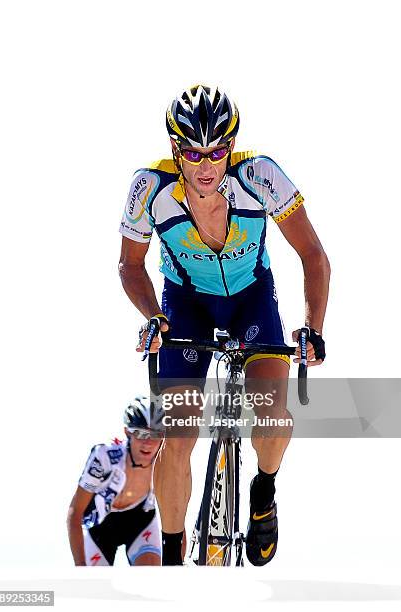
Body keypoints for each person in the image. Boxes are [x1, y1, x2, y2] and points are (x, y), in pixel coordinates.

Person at [118, 85, 330, 566]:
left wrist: (312, 327)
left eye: (217, 151)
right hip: (186, 302)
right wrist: (154, 316)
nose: (206, 165)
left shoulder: (260, 175)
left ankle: (263, 491)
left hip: (251, 299)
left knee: (271, 416)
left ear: (230, 147)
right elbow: (130, 266)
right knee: (177, 434)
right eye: (193, 153)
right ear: (177, 149)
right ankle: (172, 553)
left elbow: (313, 256)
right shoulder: (148, 187)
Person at [67, 396, 165, 566]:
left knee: (152, 576)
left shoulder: (164, 461)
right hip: (101, 526)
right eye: (141, 434)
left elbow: (175, 512)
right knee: (95, 588)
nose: (148, 443)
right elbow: (75, 513)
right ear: (128, 432)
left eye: (155, 435)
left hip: (140, 521)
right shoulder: (104, 457)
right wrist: (81, 567)